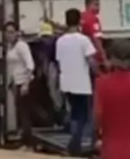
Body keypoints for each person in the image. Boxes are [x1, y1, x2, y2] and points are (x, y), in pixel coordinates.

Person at [55, 8, 97, 155]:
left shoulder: (60, 41)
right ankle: (74, 145)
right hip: (82, 83)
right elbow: (91, 60)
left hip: (66, 82)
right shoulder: (83, 40)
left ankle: (75, 144)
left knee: (74, 113)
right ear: (79, 21)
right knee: (83, 116)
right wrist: (97, 72)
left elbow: (59, 61)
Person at [4, 22, 35, 150]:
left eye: (12, 32)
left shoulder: (22, 46)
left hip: (24, 82)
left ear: (17, 32)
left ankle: (27, 142)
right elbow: (12, 67)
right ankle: (24, 138)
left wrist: (26, 84)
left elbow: (30, 65)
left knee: (24, 113)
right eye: (7, 32)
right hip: (16, 82)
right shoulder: (10, 47)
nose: (9, 35)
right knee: (20, 112)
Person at [81, 0, 110, 72]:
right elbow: (97, 40)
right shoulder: (93, 19)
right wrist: (104, 59)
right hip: (94, 57)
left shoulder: (81, 16)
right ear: (88, 5)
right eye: (96, 5)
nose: (98, 8)